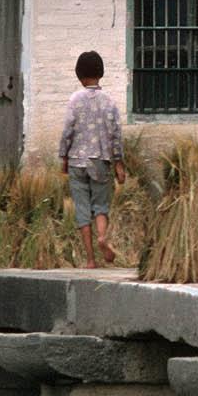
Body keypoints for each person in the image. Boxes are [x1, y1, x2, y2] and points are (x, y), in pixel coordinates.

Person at [57, 50, 124, 266]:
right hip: (100, 161)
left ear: (79, 74)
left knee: (82, 208)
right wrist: (118, 163)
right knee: (101, 205)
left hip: (77, 161)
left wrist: (64, 156)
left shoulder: (75, 100)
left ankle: (91, 259)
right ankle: (102, 237)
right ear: (101, 73)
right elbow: (116, 135)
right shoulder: (109, 102)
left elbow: (67, 131)